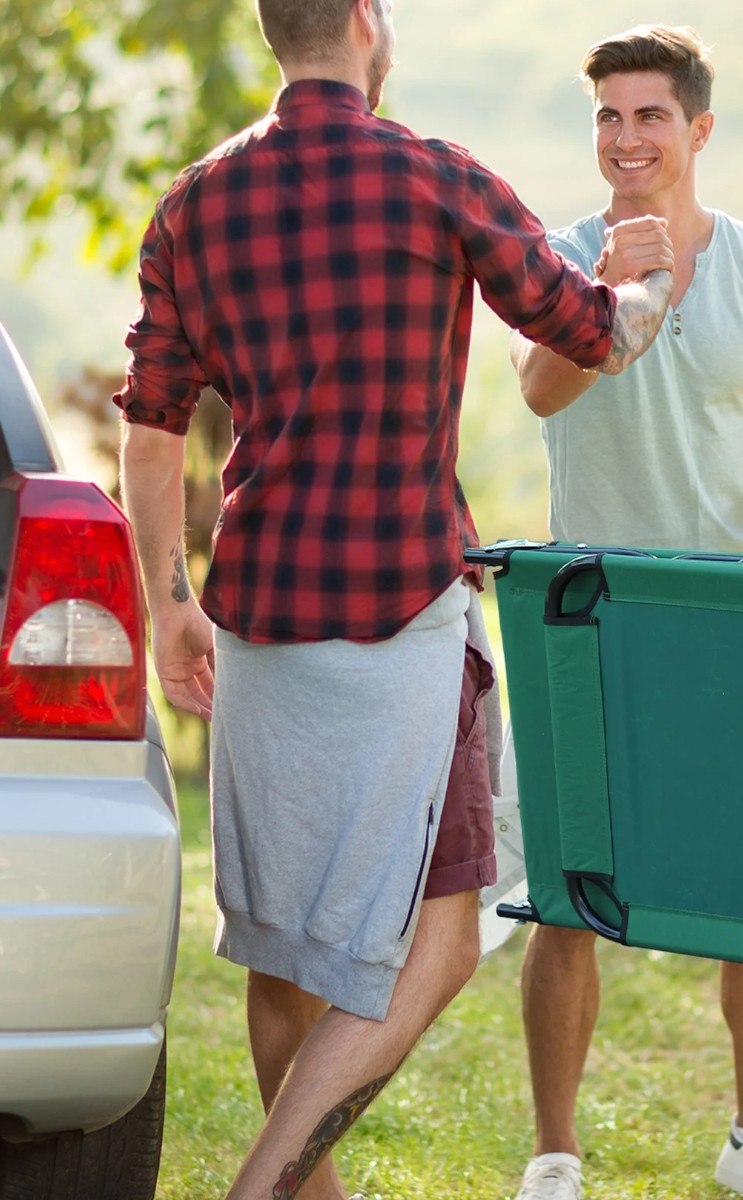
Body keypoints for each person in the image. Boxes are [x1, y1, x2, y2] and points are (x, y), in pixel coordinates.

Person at [113, 3, 674, 1198]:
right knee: (445, 941)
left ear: (274, 30)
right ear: (367, 22)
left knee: (281, 953)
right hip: (406, 614)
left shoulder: (192, 205)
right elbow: (596, 335)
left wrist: (168, 603)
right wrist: (646, 281)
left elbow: (151, 432)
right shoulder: (436, 175)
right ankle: (261, 1190)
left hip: (257, 618)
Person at [507, 25, 743, 1200]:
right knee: (570, 899)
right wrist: (608, 289)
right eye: (608, 115)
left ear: (698, 129)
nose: (626, 137)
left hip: (733, 614)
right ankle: (555, 1157)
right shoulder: (559, 256)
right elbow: (542, 391)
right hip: (590, 608)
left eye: (649, 114)